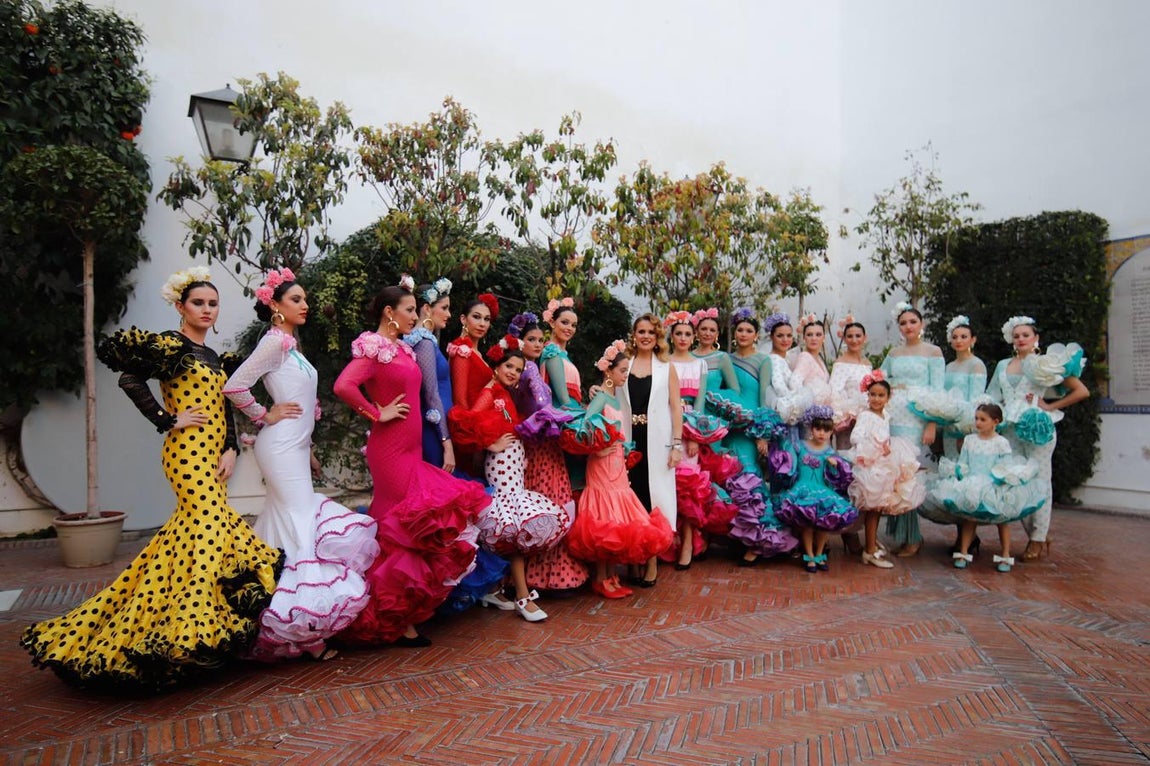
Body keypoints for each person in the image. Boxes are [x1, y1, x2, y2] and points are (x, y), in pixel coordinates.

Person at [22, 267, 283, 691]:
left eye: (212, 304)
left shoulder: (214, 358)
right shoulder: (168, 346)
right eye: (198, 302)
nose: (206, 309)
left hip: (214, 455)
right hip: (185, 454)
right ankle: (190, 632)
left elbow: (224, 405)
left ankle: (171, 623)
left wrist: (231, 447)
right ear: (181, 307)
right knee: (210, 526)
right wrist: (167, 419)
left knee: (189, 536)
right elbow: (129, 378)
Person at [223, 269, 378, 662]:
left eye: (305, 299)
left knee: (281, 523)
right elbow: (235, 385)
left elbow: (304, 403)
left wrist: (307, 446)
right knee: (299, 519)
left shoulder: (292, 345)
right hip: (278, 444)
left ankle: (276, 621)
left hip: (293, 447)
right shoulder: (275, 342)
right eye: (296, 299)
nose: (305, 305)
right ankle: (308, 631)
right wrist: (264, 414)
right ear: (275, 305)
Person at [333, 281, 489, 647]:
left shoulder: (402, 347)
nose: (414, 316)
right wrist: (376, 413)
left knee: (409, 524)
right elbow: (343, 386)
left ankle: (399, 609)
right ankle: (394, 616)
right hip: (389, 451)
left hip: (411, 447)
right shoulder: (372, 348)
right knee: (399, 526)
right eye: (408, 310)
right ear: (390, 312)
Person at [448, 344, 572, 622]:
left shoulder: (504, 393)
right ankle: (522, 597)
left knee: (514, 527)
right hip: (502, 466)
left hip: (514, 464)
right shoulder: (490, 392)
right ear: (497, 368)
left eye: (517, 369)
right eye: (509, 367)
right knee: (515, 528)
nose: (513, 372)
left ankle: (497, 587)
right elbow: (465, 420)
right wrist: (490, 443)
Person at [565, 342, 674, 598]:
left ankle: (610, 574)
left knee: (615, 519)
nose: (626, 375)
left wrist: (621, 450)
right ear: (609, 372)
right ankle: (601, 577)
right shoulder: (602, 396)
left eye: (626, 370)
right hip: (602, 465)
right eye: (623, 370)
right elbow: (585, 424)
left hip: (616, 465)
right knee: (604, 517)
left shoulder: (614, 397)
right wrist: (597, 449)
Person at [985, 316, 1088, 561]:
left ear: (1036, 339)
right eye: (1017, 336)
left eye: (1026, 335)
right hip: (1009, 428)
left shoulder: (1045, 364)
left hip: (1038, 428)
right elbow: (991, 397)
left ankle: (1037, 539)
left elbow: (1081, 391)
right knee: (1012, 479)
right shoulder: (1002, 365)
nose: (1020, 339)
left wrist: (1051, 406)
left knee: (1041, 481)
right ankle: (1037, 532)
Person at [929, 403, 1043, 572]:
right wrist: (960, 471)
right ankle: (964, 551)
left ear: (995, 421)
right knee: (969, 519)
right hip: (972, 484)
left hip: (993, 484)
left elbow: (1004, 466)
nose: (978, 423)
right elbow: (964, 462)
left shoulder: (1001, 443)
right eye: (976, 419)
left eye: (983, 419)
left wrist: (1000, 480)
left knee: (1002, 520)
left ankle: (1005, 554)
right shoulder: (969, 440)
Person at [526, 301, 591, 593]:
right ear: (552, 323)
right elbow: (563, 400)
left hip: (568, 423)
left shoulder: (561, 353)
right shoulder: (551, 353)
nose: (570, 329)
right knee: (560, 494)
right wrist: (590, 418)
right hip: (560, 428)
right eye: (565, 322)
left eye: (574, 325)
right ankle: (551, 571)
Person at [878, 302, 947, 557]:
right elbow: (879, 378)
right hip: (893, 416)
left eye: (913, 322)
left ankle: (913, 537)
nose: (908, 326)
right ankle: (901, 534)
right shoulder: (894, 353)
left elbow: (938, 391)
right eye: (903, 323)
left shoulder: (933, 352)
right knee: (895, 472)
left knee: (909, 472)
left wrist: (932, 422)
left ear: (922, 324)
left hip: (917, 418)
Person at [619, 313, 682, 587]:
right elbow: (610, 391)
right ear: (634, 335)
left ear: (657, 338)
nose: (645, 336)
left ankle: (652, 561)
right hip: (628, 439)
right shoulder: (624, 364)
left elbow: (676, 407)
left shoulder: (666, 367)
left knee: (654, 499)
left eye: (650, 332)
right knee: (631, 497)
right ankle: (633, 559)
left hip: (657, 440)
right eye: (640, 331)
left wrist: (676, 444)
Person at [917, 316, 989, 553]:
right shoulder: (948, 367)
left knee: (967, 479)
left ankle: (968, 539)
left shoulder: (976, 365)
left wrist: (966, 430)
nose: (959, 341)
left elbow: (975, 401)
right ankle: (964, 536)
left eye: (964, 337)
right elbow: (943, 400)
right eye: (955, 337)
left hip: (966, 430)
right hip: (948, 430)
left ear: (973, 340)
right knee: (953, 479)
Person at [845, 372, 926, 569]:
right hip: (871, 467)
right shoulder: (865, 416)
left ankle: (871, 545)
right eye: (873, 394)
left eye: (881, 395)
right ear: (867, 396)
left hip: (885, 465)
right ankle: (870, 549)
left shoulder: (885, 415)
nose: (876, 399)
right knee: (873, 508)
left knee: (878, 509)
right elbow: (855, 438)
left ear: (888, 398)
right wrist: (877, 445)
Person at [772, 405, 858, 573]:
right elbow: (790, 465)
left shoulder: (829, 451)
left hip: (822, 491)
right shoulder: (800, 446)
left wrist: (835, 465)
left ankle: (819, 554)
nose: (821, 433)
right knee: (807, 525)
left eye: (826, 430)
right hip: (802, 491)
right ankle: (809, 555)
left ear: (831, 432)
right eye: (818, 428)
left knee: (824, 525)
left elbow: (837, 476)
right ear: (811, 428)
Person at [828, 317, 872, 555]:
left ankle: (858, 527)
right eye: (850, 336)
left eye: (858, 336)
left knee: (864, 475)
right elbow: (833, 393)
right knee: (848, 473)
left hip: (866, 426)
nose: (854, 340)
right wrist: (847, 416)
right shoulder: (840, 363)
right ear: (844, 339)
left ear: (864, 339)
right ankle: (847, 531)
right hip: (848, 426)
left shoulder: (867, 363)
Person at [405, 277, 456, 472]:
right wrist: (447, 443)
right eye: (444, 308)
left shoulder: (423, 341)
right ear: (426, 309)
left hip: (436, 428)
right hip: (434, 431)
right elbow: (431, 394)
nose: (448, 314)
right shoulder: (424, 343)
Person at [448, 293, 499, 477]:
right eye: (476, 317)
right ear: (463, 319)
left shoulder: (476, 352)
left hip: (481, 429)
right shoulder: (462, 350)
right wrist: (474, 440)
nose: (482, 324)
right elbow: (460, 401)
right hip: (468, 433)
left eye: (486, 319)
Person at [763, 312, 813, 426]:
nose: (785, 339)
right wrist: (794, 404)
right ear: (771, 337)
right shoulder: (774, 359)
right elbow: (779, 387)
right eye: (780, 336)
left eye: (789, 335)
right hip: (782, 413)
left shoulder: (785, 359)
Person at [790, 314, 833, 414]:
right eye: (809, 335)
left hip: (821, 414)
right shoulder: (805, 357)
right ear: (804, 338)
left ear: (824, 338)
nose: (814, 338)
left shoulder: (820, 360)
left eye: (818, 335)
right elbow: (794, 382)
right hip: (810, 412)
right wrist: (807, 405)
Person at [692, 307, 740, 394]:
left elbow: (735, 390)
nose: (707, 333)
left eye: (712, 330)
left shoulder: (722, 357)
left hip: (712, 405)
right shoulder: (688, 356)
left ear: (717, 334)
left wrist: (714, 398)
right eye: (704, 329)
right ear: (696, 332)